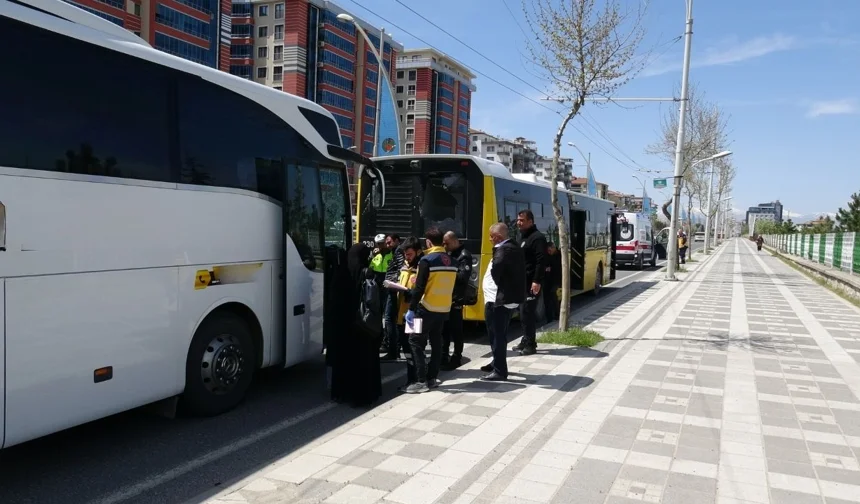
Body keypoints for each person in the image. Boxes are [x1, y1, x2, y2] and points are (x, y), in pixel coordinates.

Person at [403, 227, 457, 393]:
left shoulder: (426, 261)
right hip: (443, 309)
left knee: (414, 341)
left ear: (428, 242)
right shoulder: (452, 261)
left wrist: (411, 309)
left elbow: (419, 288)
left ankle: (421, 381)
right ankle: (432, 378)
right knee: (436, 343)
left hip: (424, 308)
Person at [329, 242, 382, 407]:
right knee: (364, 360)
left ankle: (341, 393)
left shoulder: (340, 273)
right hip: (363, 326)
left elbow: (333, 301)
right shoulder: (367, 273)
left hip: (342, 325)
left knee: (343, 358)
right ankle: (364, 395)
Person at [481, 223, 526, 381]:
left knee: (497, 336)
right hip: (503, 299)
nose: (489, 239)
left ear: (498, 237)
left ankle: (500, 371)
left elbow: (497, 271)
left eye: (491, 236)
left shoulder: (503, 250)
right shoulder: (513, 247)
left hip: (497, 301)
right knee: (499, 334)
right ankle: (496, 362)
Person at [512, 209, 548, 356]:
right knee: (523, 312)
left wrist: (536, 281)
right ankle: (526, 339)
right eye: (518, 220)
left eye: (522, 220)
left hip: (531, 282)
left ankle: (530, 344)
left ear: (530, 221)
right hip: (522, 282)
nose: (518, 223)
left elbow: (541, 261)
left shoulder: (537, 238)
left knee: (527, 313)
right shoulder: (523, 237)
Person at [441, 231, 474, 370]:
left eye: (447, 243)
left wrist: (447, 271)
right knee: (444, 330)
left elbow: (462, 277)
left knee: (456, 331)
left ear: (455, 241)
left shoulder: (464, 255)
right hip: (446, 298)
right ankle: (443, 356)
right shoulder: (449, 254)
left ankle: (456, 357)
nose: (445, 246)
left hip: (456, 299)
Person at [393, 237, 423, 392]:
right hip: (401, 314)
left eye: (410, 254)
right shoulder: (405, 266)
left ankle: (417, 379)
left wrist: (411, 294)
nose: (407, 257)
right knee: (406, 348)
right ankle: (411, 378)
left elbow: (422, 291)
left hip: (414, 314)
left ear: (418, 252)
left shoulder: (422, 267)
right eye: (405, 254)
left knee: (414, 347)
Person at [381, 234, 404, 360]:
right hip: (393, 289)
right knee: (391, 319)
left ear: (397, 241)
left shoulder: (399, 251)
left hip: (394, 289)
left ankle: (393, 351)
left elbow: (401, 270)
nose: (387, 244)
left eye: (389, 242)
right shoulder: (395, 251)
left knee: (389, 319)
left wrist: (391, 281)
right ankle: (393, 349)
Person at [543, 242, 562, 322]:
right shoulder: (547, 255)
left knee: (553, 296)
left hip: (555, 280)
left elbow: (558, 268)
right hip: (547, 280)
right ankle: (549, 318)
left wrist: (551, 268)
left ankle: (557, 315)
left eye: (550, 250)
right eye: (548, 251)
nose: (549, 252)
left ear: (554, 248)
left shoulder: (559, 255)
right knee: (547, 299)